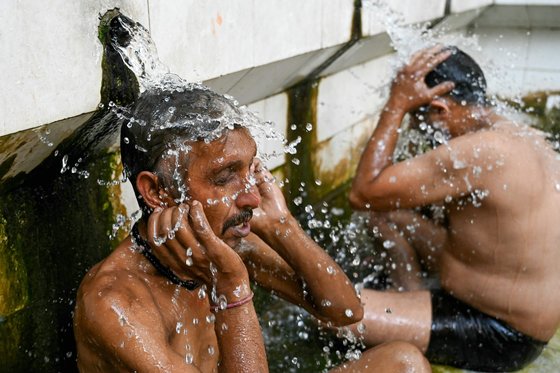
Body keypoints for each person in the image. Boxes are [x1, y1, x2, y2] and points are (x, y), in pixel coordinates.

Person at [73, 84, 431, 372]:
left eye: (250, 171)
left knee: (403, 362)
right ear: (157, 192)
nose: (251, 198)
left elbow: (344, 311)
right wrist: (231, 287)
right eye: (226, 176)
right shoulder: (115, 303)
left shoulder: (226, 244)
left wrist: (282, 226)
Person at [348, 44, 560, 372]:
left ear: (440, 110)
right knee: (388, 216)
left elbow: (364, 192)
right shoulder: (520, 134)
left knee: (338, 313)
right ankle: (410, 294)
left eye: (416, 121)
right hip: (516, 303)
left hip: (500, 332)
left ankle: (404, 316)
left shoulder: (481, 152)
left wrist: (396, 104)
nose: (417, 132)